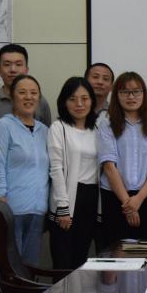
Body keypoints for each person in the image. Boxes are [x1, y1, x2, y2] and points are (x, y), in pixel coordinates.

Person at [0, 75, 50, 264]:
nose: (28, 97)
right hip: (10, 210)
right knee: (9, 267)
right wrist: (0, 203)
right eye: (22, 92)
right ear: (12, 97)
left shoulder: (44, 131)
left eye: (33, 93)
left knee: (30, 267)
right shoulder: (3, 126)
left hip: (38, 210)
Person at [99, 72, 147, 241]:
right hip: (115, 197)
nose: (131, 97)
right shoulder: (106, 124)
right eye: (125, 92)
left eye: (136, 91)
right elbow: (108, 166)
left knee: (145, 250)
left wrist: (138, 199)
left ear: (144, 94)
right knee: (116, 250)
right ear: (117, 95)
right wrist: (128, 204)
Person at [48, 77, 102, 269]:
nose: (79, 104)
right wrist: (63, 206)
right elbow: (56, 168)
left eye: (84, 98)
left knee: (81, 259)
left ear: (92, 101)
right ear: (64, 102)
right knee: (63, 261)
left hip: (91, 198)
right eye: (72, 99)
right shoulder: (59, 127)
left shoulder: (96, 129)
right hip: (69, 198)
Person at [0, 43, 53, 127]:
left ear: (26, 70)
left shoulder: (39, 101)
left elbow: (46, 132)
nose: (13, 70)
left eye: (18, 64)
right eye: (7, 64)